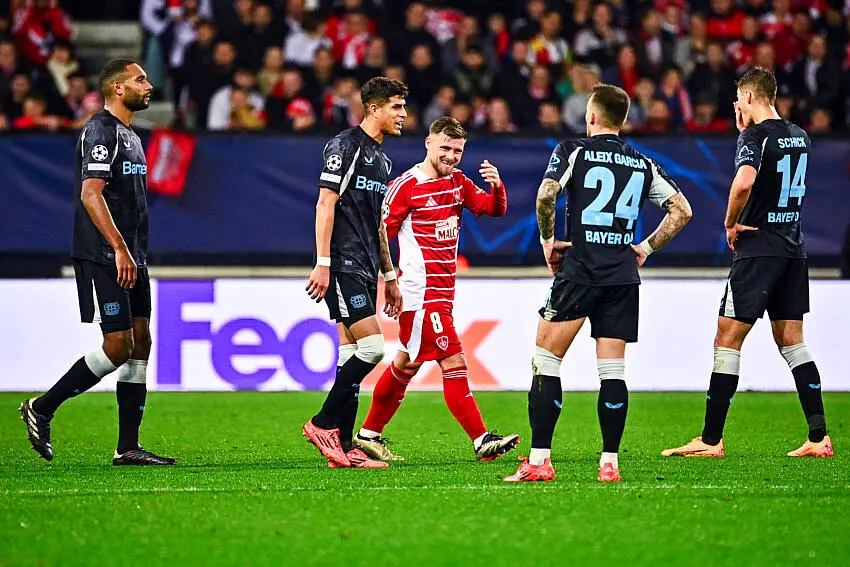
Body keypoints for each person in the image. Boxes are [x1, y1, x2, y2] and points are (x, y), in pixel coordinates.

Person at [506, 84, 692, 483]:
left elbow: (546, 195)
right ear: (623, 120)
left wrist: (547, 242)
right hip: (623, 274)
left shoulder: (573, 151)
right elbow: (682, 210)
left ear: (590, 116)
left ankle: (539, 462)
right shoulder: (642, 162)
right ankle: (610, 463)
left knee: (546, 360)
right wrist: (645, 247)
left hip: (581, 268)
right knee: (612, 371)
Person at [663, 67, 833, 459]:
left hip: (758, 249)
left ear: (750, 97)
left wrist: (729, 223)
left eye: (739, 100)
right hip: (794, 247)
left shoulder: (753, 136)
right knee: (793, 340)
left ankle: (709, 440)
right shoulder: (800, 136)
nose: (737, 107)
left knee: (727, 338)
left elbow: (744, 182)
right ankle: (819, 436)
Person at [19, 59, 176, 466]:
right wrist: (120, 248)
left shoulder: (132, 136)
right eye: (140, 79)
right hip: (106, 254)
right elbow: (91, 194)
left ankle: (127, 447)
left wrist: (133, 252)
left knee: (141, 341)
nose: (149, 85)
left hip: (133, 256)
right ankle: (43, 407)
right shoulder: (100, 130)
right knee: (118, 344)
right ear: (117, 89)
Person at [354, 117, 519, 462]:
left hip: (443, 292)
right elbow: (380, 235)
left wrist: (497, 187)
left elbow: (492, 209)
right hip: (420, 293)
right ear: (428, 144)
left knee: (406, 365)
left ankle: (369, 435)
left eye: (458, 150)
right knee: (453, 358)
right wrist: (389, 282)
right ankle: (481, 439)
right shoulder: (406, 186)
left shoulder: (458, 181)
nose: (452, 155)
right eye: (445, 147)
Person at [303, 77, 408, 469]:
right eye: (396, 107)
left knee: (350, 353)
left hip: (366, 266)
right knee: (373, 349)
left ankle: (344, 448)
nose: (403, 115)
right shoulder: (345, 146)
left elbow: (378, 223)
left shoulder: (383, 161)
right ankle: (322, 423)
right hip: (342, 262)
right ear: (375, 108)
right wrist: (324, 262)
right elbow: (325, 203)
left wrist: (390, 275)